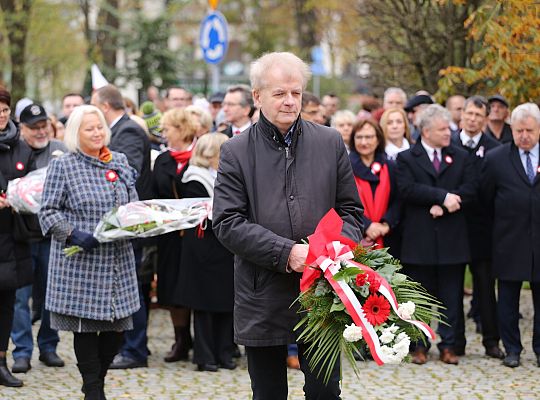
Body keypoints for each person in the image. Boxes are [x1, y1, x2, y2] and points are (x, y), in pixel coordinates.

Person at [212, 51, 363, 400]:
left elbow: (351, 212)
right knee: (268, 393)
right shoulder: (236, 151)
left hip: (323, 293)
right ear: (257, 96)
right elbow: (227, 221)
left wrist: (333, 250)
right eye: (279, 93)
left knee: (326, 392)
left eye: (295, 92)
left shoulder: (329, 142)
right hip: (261, 290)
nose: (290, 101)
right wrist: (287, 253)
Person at [38, 105, 140, 399]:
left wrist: (137, 224)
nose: (97, 133)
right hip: (80, 260)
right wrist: (71, 233)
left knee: (116, 332)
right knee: (85, 330)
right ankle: (94, 390)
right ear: (75, 133)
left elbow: (132, 203)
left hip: (117, 260)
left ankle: (94, 380)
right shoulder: (63, 165)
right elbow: (47, 211)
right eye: (89, 129)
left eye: (99, 127)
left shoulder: (118, 161)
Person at [395, 104, 476, 365]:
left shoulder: (461, 156)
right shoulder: (407, 157)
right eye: (443, 129)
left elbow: (472, 188)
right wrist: (440, 196)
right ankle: (418, 345)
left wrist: (445, 204)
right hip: (419, 241)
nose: (448, 133)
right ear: (426, 131)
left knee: (451, 298)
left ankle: (448, 344)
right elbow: (406, 189)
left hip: (452, 241)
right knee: (418, 298)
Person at [91, 85, 152, 370]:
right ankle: (130, 345)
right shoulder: (123, 128)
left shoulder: (127, 131)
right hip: (121, 221)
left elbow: (128, 172)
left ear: (104, 107)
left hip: (129, 221)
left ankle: (135, 350)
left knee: (133, 287)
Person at [481, 103, 540, 368]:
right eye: (519, 130)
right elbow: (485, 199)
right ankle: (512, 349)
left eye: (529, 130)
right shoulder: (496, 158)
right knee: (507, 300)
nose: (524, 135)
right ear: (511, 129)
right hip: (508, 240)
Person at [10, 104, 67, 375]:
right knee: (20, 298)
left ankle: (48, 346)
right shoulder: (13, 149)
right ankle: (22, 352)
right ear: (22, 129)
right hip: (19, 235)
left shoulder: (61, 151)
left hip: (50, 236)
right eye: (34, 127)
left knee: (50, 296)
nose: (41, 131)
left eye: (44, 125)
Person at [174, 133, 235, 372]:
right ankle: (205, 355)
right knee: (205, 305)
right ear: (212, 154)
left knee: (227, 303)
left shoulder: (226, 176)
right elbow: (196, 214)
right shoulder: (193, 179)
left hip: (225, 247)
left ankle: (225, 352)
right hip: (202, 249)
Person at [449, 96, 503, 359]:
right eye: (468, 113)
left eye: (478, 116)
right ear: (462, 115)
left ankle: (491, 341)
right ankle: (455, 341)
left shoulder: (494, 148)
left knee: (485, 288)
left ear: (485, 119)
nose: (472, 119)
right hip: (454, 226)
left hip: (483, 229)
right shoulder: (447, 143)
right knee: (454, 288)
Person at [152, 108, 198, 363]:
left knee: (195, 284)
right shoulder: (162, 159)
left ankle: (202, 339)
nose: (164, 133)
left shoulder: (200, 155)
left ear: (180, 129)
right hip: (170, 234)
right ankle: (181, 338)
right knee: (171, 286)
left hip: (196, 235)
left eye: (167, 128)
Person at [0, 88, 33, 388]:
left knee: (9, 301)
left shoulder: (22, 148)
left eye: (5, 111)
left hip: (13, 235)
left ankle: (1, 361)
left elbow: (34, 186)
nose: (1, 116)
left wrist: (18, 198)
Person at [349, 119, 400, 254]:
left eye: (369, 137)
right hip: (355, 236)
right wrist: (367, 225)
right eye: (359, 137)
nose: (364, 142)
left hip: (387, 236)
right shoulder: (345, 167)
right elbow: (342, 202)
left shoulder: (390, 166)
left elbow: (398, 199)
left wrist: (385, 224)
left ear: (378, 140)